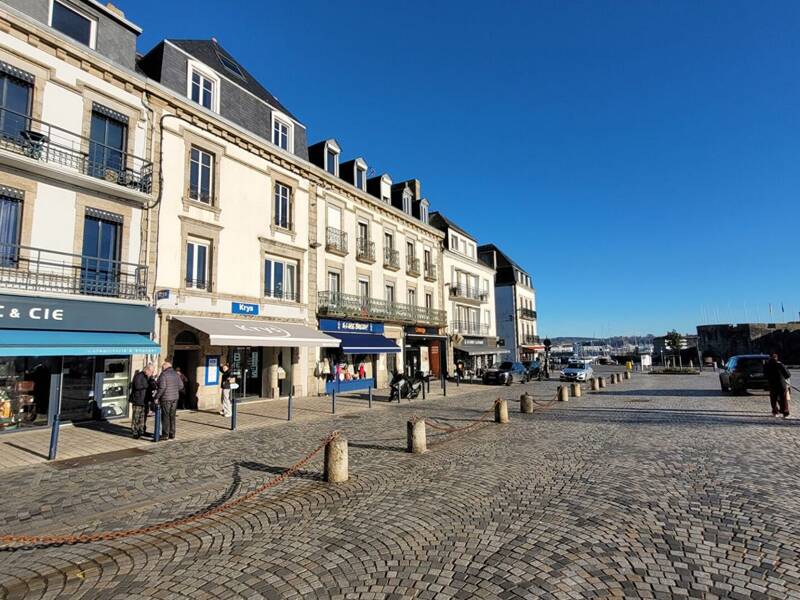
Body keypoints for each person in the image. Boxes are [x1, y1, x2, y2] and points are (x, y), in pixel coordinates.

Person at [154, 359, 183, 440]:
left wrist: (156, 397)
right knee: (172, 416)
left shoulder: (163, 375)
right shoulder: (176, 374)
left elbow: (162, 387)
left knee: (165, 416)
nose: (162, 369)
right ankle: (172, 433)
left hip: (166, 399)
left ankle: (165, 435)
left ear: (165, 367)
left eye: (162, 368)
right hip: (175, 398)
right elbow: (181, 386)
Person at [130, 363, 154, 439]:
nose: (152, 373)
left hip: (145, 400)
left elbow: (150, 388)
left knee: (143, 417)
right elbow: (137, 386)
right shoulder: (138, 376)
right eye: (151, 371)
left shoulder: (148, 377)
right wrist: (147, 385)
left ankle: (142, 430)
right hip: (138, 400)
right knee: (136, 417)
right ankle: (135, 432)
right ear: (147, 370)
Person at [764, 352, 791, 419]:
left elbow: (765, 375)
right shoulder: (779, 364)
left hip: (772, 384)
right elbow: (787, 375)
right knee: (783, 399)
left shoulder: (767, 366)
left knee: (773, 399)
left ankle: (775, 412)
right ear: (776, 358)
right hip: (781, 384)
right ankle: (785, 412)